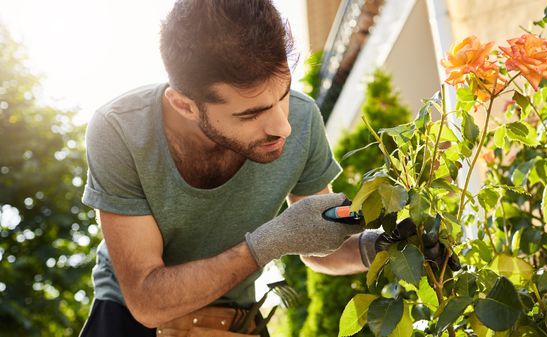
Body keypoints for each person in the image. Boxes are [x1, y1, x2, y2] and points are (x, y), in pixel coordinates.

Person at [78, 1, 391, 336]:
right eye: (250, 114)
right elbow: (148, 303)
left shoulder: (302, 119)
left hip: (238, 320)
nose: (282, 127)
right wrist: (270, 241)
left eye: (283, 94)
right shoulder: (120, 130)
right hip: (129, 321)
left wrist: (382, 246)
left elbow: (317, 246)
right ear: (185, 106)